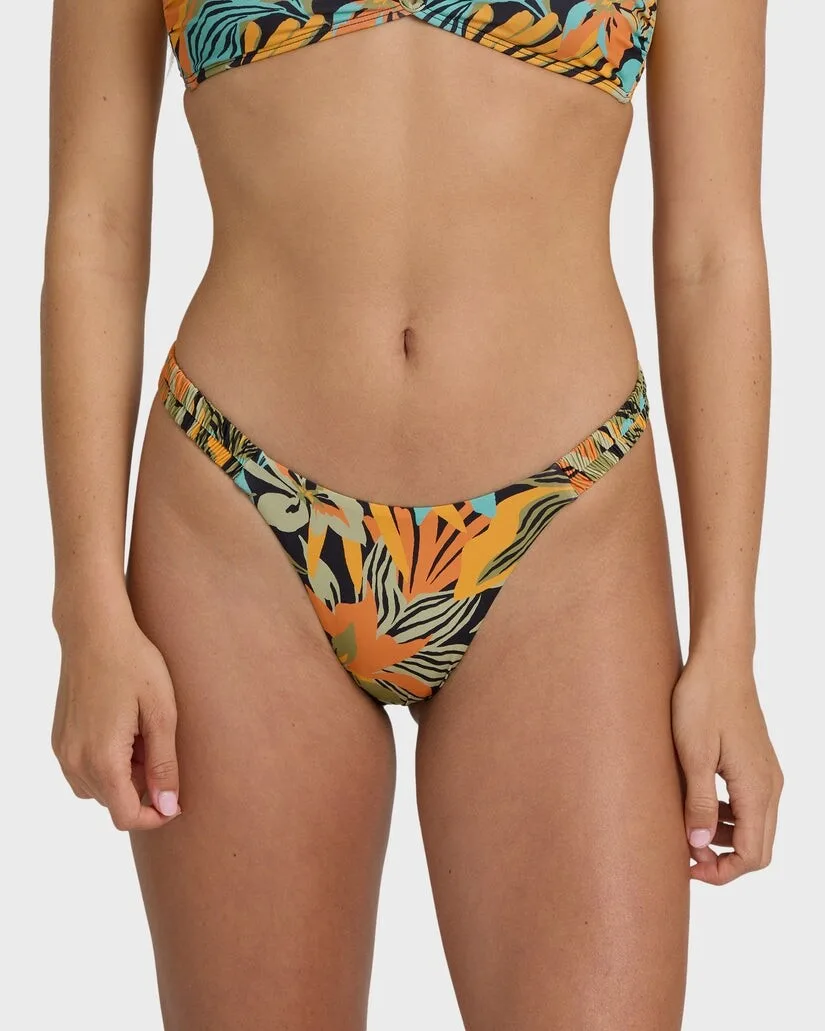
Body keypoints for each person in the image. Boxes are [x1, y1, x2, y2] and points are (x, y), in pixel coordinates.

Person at [42, 1, 784, 1027]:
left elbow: (712, 250)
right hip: (238, 526)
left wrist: (728, 640)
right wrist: (85, 600)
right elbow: (95, 227)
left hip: (567, 538)